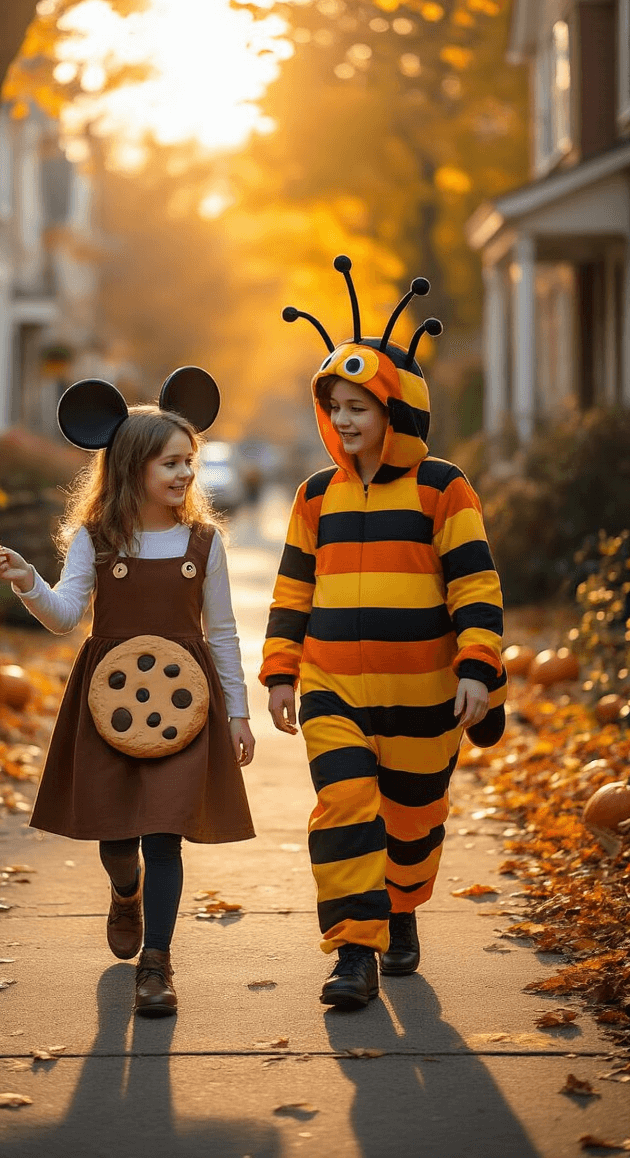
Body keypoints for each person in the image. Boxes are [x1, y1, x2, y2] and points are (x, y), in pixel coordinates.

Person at [260, 258, 506, 1011]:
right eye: (333, 406)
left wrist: (477, 665)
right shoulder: (314, 496)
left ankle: (399, 911)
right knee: (343, 809)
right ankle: (353, 953)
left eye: (360, 406)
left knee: (408, 824)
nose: (344, 420)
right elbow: (293, 589)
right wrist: (280, 674)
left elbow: (473, 581)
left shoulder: (443, 488)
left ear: (397, 409)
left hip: (426, 692)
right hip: (334, 686)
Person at [0, 369, 255, 1019]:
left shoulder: (203, 543)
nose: (186, 474)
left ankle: (157, 967)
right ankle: (125, 891)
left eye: (190, 462)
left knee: (165, 832)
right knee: (118, 834)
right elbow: (65, 613)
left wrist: (239, 712)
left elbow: (220, 633)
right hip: (110, 703)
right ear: (133, 467)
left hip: (183, 709)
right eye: (172, 463)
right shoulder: (97, 540)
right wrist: (27, 582)